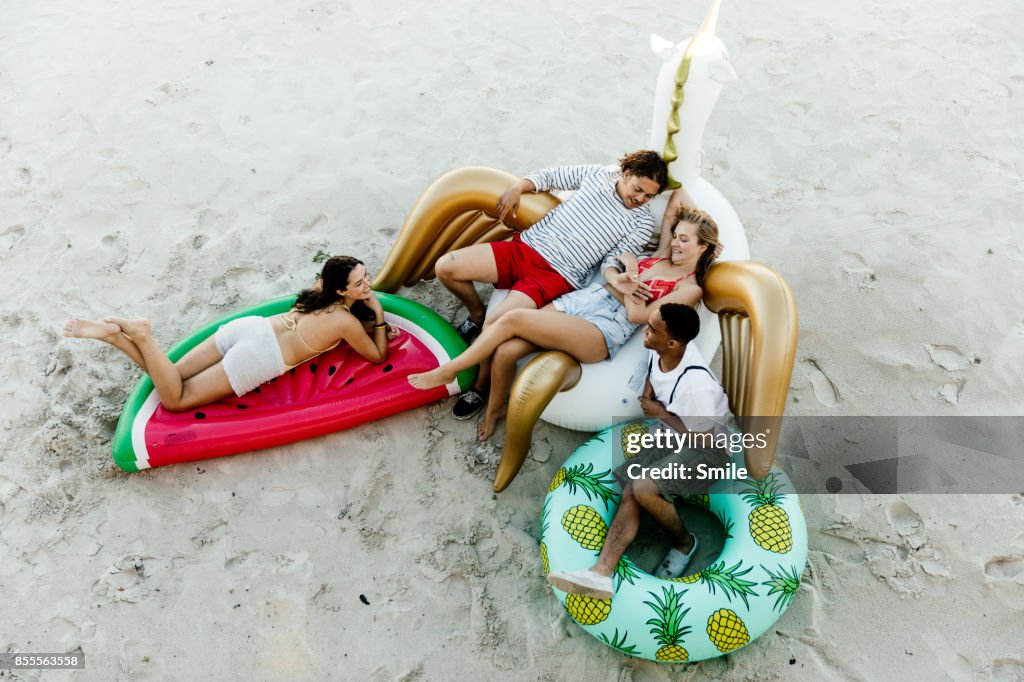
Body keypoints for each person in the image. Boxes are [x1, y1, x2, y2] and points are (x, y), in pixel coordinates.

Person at [410, 206, 720, 440]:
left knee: (512, 316)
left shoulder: (689, 288)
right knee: (506, 350)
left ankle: (450, 370)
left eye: (685, 240)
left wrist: (630, 282)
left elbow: (640, 316)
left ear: (703, 247)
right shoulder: (665, 253)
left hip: (605, 328)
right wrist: (626, 273)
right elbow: (668, 213)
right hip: (585, 299)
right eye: (676, 236)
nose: (676, 243)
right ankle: (495, 408)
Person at [434, 150, 670, 421]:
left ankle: (479, 387)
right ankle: (476, 312)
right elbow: (551, 177)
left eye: (649, 196)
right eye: (638, 189)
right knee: (446, 268)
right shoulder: (597, 175)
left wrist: (615, 278)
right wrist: (518, 187)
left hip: (556, 275)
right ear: (625, 174)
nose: (640, 199)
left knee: (495, 323)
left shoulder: (641, 221)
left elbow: (612, 259)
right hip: (523, 249)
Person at [546, 303, 732, 600]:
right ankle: (600, 574)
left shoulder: (695, 388)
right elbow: (652, 365)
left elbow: (705, 440)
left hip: (710, 450)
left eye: (651, 330)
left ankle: (685, 542)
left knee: (644, 487)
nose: (645, 332)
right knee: (630, 489)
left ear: (671, 342)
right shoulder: (659, 347)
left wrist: (660, 414)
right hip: (671, 433)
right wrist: (648, 390)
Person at [63, 256, 396, 412]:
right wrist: (377, 317)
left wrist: (362, 313)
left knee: (172, 375)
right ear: (341, 291)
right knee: (175, 399)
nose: (367, 285)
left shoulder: (319, 289)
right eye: (360, 283)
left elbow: (324, 317)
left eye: (365, 277)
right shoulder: (345, 322)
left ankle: (116, 337)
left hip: (251, 328)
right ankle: (144, 335)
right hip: (260, 357)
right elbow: (377, 355)